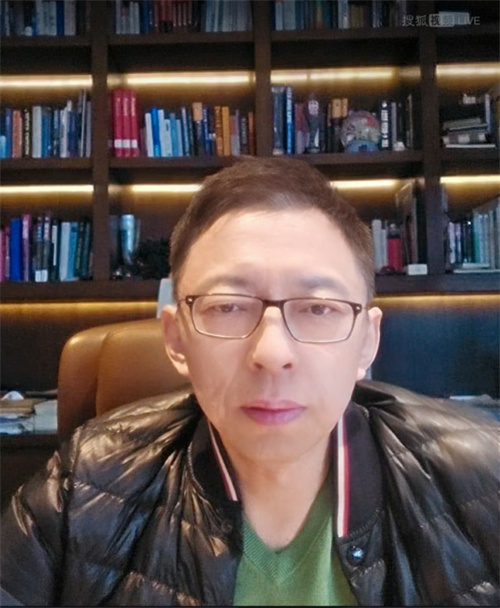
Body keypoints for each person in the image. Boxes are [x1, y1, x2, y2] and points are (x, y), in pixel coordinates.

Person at [1, 157, 498, 607]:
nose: (272, 354)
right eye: (228, 307)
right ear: (176, 339)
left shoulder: (484, 482)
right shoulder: (82, 488)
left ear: (367, 342)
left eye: (318, 309)